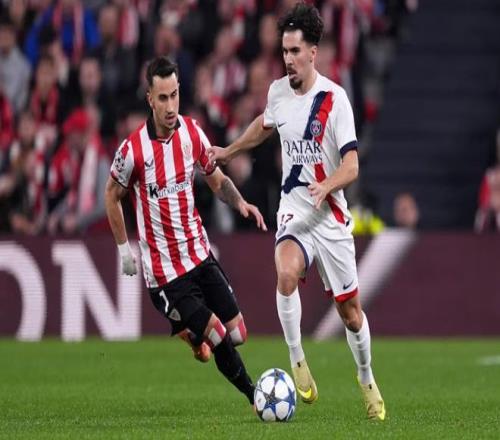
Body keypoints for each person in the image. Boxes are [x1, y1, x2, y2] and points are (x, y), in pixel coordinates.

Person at [208, 3, 385, 420]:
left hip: (331, 217)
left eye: (294, 51)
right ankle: (297, 358)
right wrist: (230, 150)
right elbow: (264, 124)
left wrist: (328, 184)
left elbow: (352, 165)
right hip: (295, 211)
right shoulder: (278, 92)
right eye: (284, 51)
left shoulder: (335, 100)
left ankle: (366, 376)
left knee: (351, 314)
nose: (287, 59)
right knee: (285, 272)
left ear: (312, 53)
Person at [104, 56, 266, 406]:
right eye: (162, 98)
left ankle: (191, 332)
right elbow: (111, 195)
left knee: (238, 334)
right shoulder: (133, 150)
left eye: (174, 95)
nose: (170, 106)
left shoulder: (192, 133)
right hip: (166, 274)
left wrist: (240, 203)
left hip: (199, 255)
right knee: (218, 336)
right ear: (150, 98)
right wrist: (123, 250)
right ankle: (257, 397)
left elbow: (216, 179)